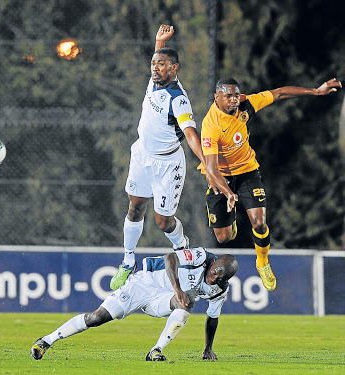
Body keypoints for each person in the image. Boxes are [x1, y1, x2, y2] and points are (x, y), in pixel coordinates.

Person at [199, 77, 342, 291]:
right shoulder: (211, 125)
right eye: (228, 96)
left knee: (259, 223)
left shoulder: (247, 104)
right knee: (224, 237)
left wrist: (315, 91)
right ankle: (231, 223)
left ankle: (262, 261)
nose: (234, 100)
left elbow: (279, 93)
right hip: (222, 178)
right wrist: (228, 193)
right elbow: (211, 169)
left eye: (236, 95)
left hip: (247, 172)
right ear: (216, 97)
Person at [110, 24, 212, 290]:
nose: (155, 67)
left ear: (174, 68)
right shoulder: (154, 82)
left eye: (162, 64)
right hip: (142, 154)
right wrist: (158, 42)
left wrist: (205, 162)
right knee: (135, 206)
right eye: (153, 63)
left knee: (163, 221)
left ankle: (182, 246)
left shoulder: (178, 99)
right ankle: (128, 262)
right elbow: (158, 59)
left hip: (168, 164)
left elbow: (191, 133)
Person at [31, 247, 238, 362]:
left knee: (186, 304)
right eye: (213, 273)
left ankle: (156, 350)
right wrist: (178, 289)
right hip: (143, 283)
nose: (212, 280)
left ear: (226, 279)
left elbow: (213, 317)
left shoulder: (220, 289)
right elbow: (171, 258)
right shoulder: (201, 256)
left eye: (219, 279)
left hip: (162, 300)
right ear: (214, 263)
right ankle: (46, 341)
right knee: (96, 318)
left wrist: (207, 348)